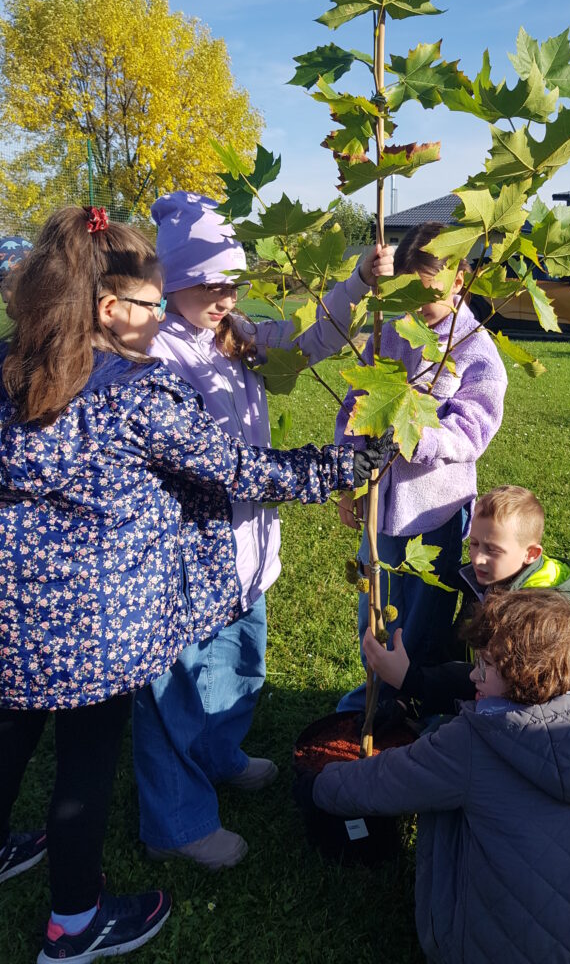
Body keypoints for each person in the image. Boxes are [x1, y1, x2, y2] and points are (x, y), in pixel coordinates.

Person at [0, 206, 388, 964]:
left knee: (12, 734)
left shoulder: (16, 363)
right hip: (97, 619)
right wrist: (347, 465)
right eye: (151, 300)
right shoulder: (138, 387)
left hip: (17, 610)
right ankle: (74, 925)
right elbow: (242, 469)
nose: (221, 297)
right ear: (111, 307)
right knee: (83, 770)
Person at [132, 191, 394, 869]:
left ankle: (220, 754)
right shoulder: (154, 356)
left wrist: (359, 282)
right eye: (205, 284)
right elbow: (220, 468)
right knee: (176, 689)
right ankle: (177, 820)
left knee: (239, 659)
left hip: (246, 550)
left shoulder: (236, 333)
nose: (222, 296)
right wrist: (323, 470)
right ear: (171, 281)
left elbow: (309, 344)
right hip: (187, 555)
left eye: (230, 283)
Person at [309, 589, 570, 964]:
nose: (473, 673)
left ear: (524, 678)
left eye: (484, 666)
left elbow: (385, 781)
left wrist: (318, 782)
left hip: (502, 952)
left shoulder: (471, 742)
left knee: (442, 794)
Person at [335, 220, 508, 712]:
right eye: (406, 292)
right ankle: (375, 695)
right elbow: (355, 408)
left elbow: (471, 433)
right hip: (380, 509)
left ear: (459, 281)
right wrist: (353, 481)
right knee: (377, 611)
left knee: (423, 625)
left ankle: (415, 706)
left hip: (434, 514)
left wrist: (414, 434)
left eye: (427, 293)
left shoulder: (476, 353)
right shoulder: (388, 333)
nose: (415, 305)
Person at [364, 485, 570, 715]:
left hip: (530, 722)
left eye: (492, 549)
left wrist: (409, 680)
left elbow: (491, 679)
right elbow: (458, 649)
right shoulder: (492, 579)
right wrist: (409, 699)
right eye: (473, 544)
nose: (478, 558)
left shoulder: (535, 619)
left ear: (531, 554)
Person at [0, 234, 33, 304]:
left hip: (6, 275)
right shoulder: (25, 242)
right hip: (24, 275)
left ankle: (12, 305)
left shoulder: (1, 241)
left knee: (11, 301)